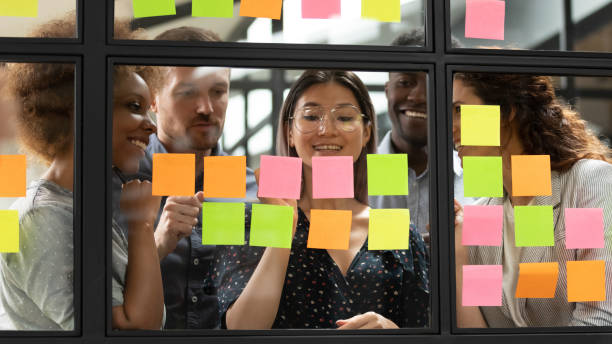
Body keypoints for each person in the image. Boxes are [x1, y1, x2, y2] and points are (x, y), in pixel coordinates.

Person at [219, 70, 429, 329]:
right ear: (289, 133)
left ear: (365, 133)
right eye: (311, 116)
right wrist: (282, 231)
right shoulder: (251, 222)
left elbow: (427, 330)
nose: (327, 130)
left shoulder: (396, 229)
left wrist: (392, 331)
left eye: (344, 117)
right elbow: (240, 331)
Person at [0, 15, 164, 330]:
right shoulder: (43, 217)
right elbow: (134, 330)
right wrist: (141, 225)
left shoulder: (76, 206)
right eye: (133, 106)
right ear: (84, 106)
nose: (152, 125)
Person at [113, 26, 257, 329]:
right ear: (152, 99)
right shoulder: (116, 181)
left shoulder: (250, 188)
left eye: (218, 91)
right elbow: (93, 295)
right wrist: (159, 242)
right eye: (187, 93)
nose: (206, 108)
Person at [452, 73, 612, 327]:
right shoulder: (481, 215)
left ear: (508, 112)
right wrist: (459, 256)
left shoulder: (585, 185)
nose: (450, 126)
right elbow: (478, 335)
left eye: (459, 110)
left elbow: (597, 319)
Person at [370, 29, 471, 241]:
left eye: (433, 83)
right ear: (388, 91)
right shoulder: (355, 177)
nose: (418, 96)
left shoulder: (481, 178)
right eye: (405, 82)